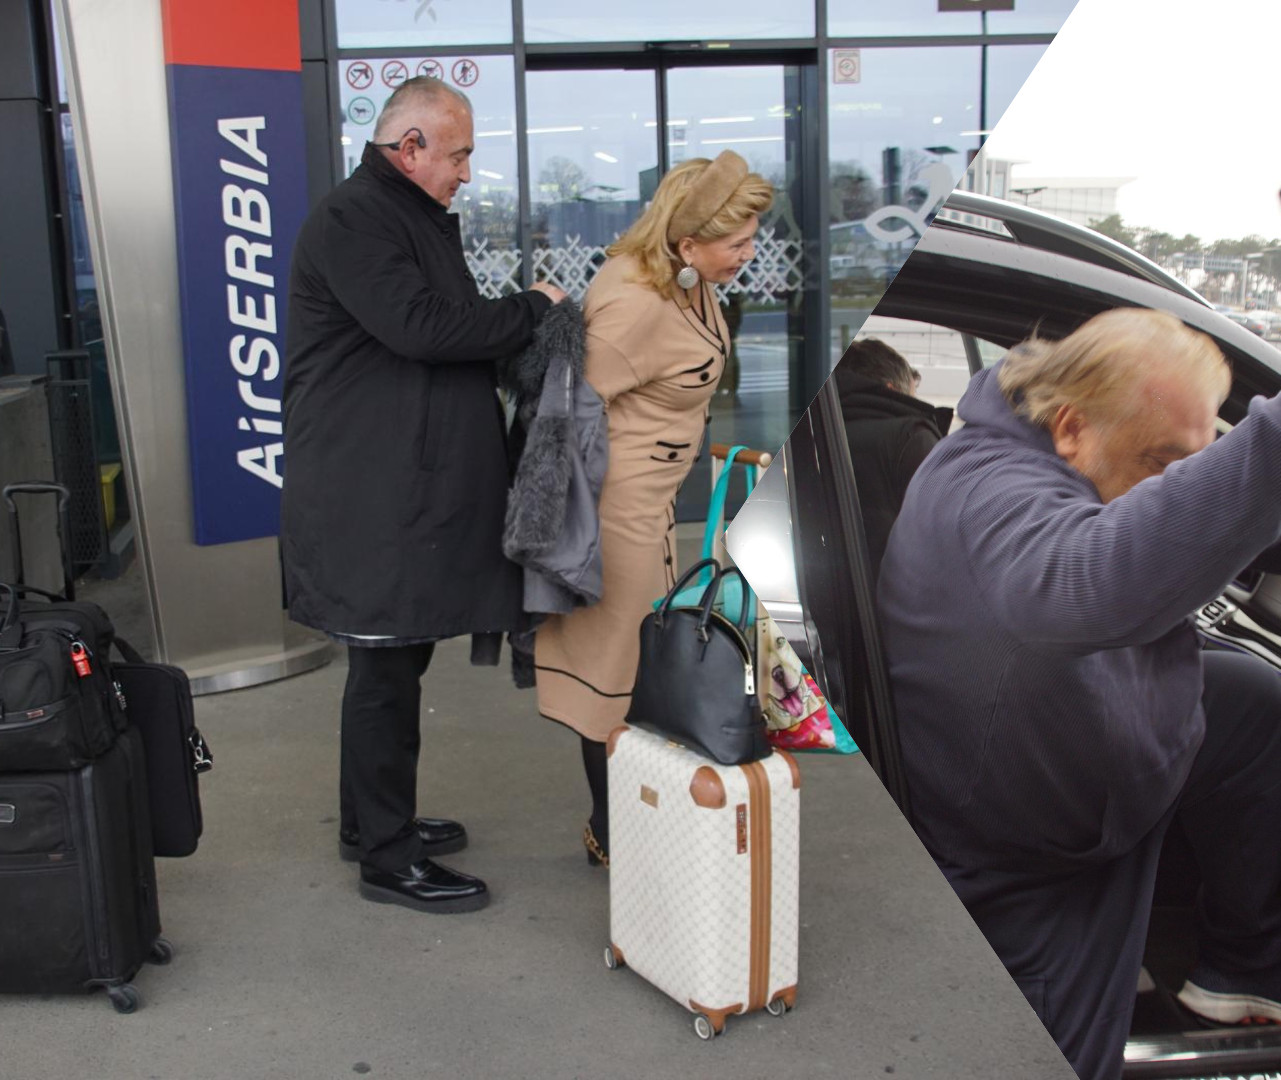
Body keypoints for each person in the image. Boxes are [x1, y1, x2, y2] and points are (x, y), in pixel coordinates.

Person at [877, 308, 1281, 1080]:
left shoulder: (1103, 442)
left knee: (1247, 696)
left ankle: (1242, 960)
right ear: (1071, 428)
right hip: (1024, 859)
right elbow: (1092, 582)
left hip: (1086, 744)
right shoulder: (988, 486)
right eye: (1164, 463)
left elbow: (1268, 519)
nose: (1180, 481)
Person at [282, 76, 566, 914]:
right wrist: (532, 308)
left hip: (391, 481)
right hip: (369, 488)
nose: (467, 173)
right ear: (409, 148)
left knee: (390, 657)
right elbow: (427, 329)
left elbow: (440, 328)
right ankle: (386, 855)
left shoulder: (401, 217)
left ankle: (369, 823)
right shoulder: (355, 219)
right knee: (385, 663)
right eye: (460, 153)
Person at [533, 151, 773, 867]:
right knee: (615, 674)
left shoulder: (686, 283)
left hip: (656, 507)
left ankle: (636, 823)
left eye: (754, 236)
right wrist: (561, 535)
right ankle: (613, 834)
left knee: (646, 665)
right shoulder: (635, 299)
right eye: (738, 242)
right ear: (688, 240)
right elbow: (566, 415)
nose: (749, 254)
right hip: (618, 515)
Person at [832, 338, 951, 583]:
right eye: (911, 394)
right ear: (890, 390)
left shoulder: (822, 431)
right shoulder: (911, 437)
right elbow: (946, 536)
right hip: (900, 595)